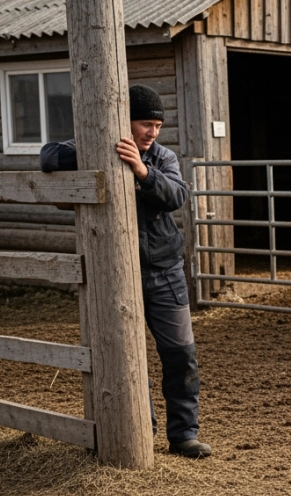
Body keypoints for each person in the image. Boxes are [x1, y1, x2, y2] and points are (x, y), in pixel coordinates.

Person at [41, 84, 211, 459]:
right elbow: (49, 155)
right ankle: (141, 431)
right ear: (125, 121)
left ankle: (184, 435)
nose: (152, 132)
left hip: (165, 272)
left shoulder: (164, 157)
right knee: (125, 355)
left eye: (157, 125)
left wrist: (140, 170)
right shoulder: (98, 146)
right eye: (145, 123)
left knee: (180, 355)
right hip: (117, 273)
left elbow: (177, 196)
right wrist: (100, 150)